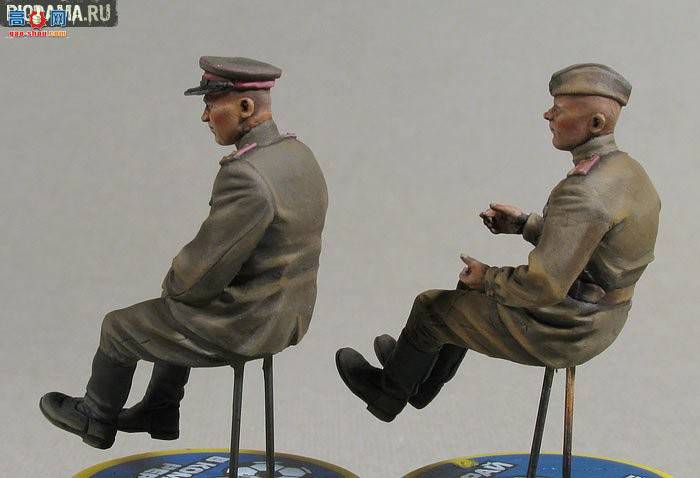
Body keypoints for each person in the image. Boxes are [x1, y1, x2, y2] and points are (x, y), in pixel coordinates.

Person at [336, 63, 660, 422]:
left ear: (596, 124)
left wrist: (488, 277)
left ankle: (387, 395)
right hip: (604, 314)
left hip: (568, 326)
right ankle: (418, 378)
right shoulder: (626, 171)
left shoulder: (583, 192)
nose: (548, 115)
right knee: (462, 296)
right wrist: (523, 224)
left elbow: (543, 285)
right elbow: (591, 246)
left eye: (559, 110)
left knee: (431, 308)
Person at [40, 56, 328, 448]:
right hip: (290, 312)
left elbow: (204, 270)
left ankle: (95, 418)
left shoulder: (246, 175)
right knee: (175, 308)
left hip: (247, 322)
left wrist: (175, 281)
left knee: (120, 327)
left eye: (212, 104)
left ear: (245, 107)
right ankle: (160, 409)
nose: (205, 116)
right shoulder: (297, 154)